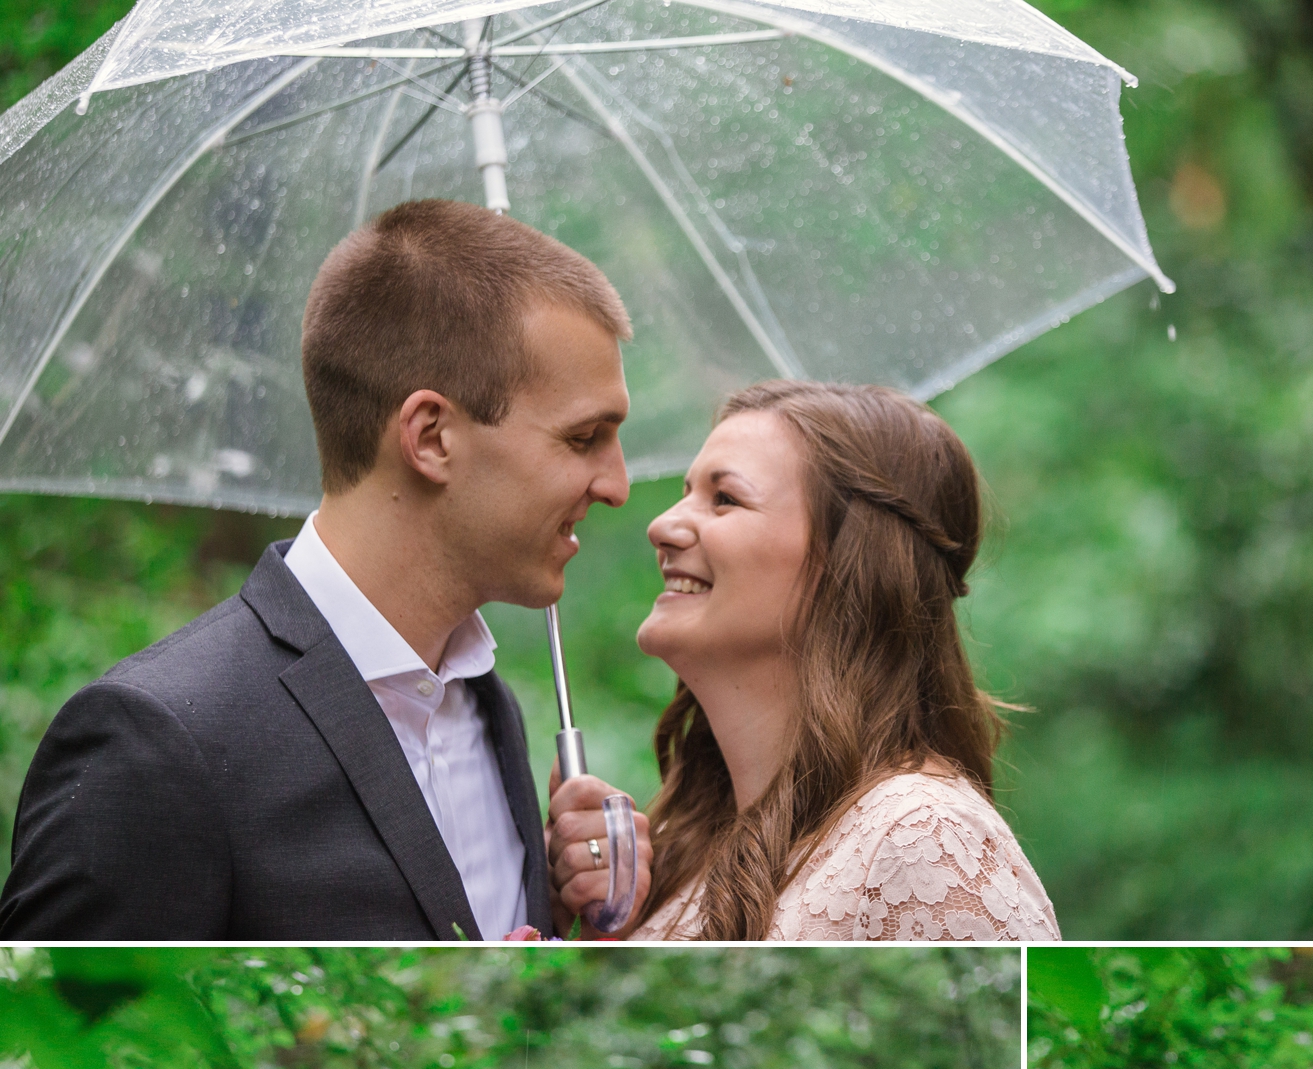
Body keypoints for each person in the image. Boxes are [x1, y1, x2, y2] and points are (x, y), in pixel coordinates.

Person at [3, 200, 649, 942]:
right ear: (432, 436)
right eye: (584, 438)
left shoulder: (486, 706)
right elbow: (57, 1050)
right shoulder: (155, 743)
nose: (617, 485)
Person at [546, 381, 1060, 942]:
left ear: (848, 562)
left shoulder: (922, 837)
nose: (662, 526)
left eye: (725, 499)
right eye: (685, 491)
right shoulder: (681, 852)